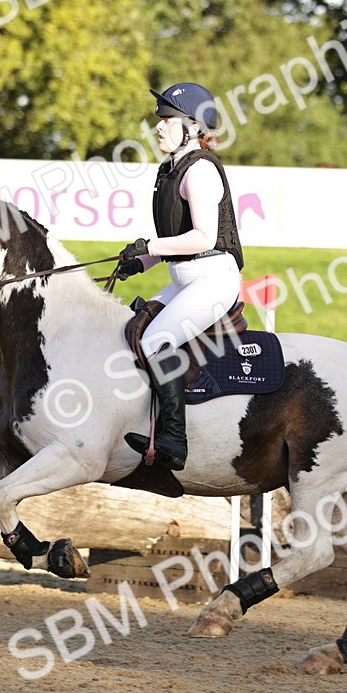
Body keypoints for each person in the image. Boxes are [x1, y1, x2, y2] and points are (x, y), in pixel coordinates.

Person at [117, 82, 244, 471]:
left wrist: (150, 248)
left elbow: (204, 237)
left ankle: (174, 440)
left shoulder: (200, 170)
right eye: (160, 120)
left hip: (212, 279)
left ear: (192, 125)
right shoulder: (169, 170)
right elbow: (177, 238)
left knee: (155, 340)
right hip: (185, 277)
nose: (159, 127)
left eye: (168, 120)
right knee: (132, 328)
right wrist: (143, 262)